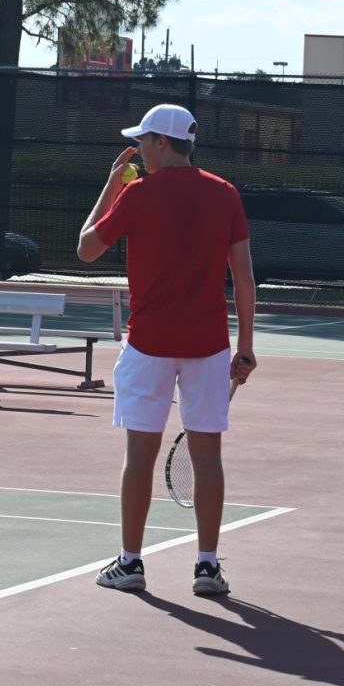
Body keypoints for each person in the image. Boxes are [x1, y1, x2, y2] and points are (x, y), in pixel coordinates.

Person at [78, 103, 256, 596]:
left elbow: (85, 248)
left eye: (141, 141)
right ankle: (206, 567)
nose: (136, 149)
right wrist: (245, 348)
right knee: (208, 456)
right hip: (207, 347)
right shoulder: (225, 194)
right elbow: (243, 275)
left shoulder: (137, 193)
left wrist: (111, 185)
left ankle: (131, 562)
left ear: (160, 143)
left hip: (149, 344)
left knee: (139, 455)